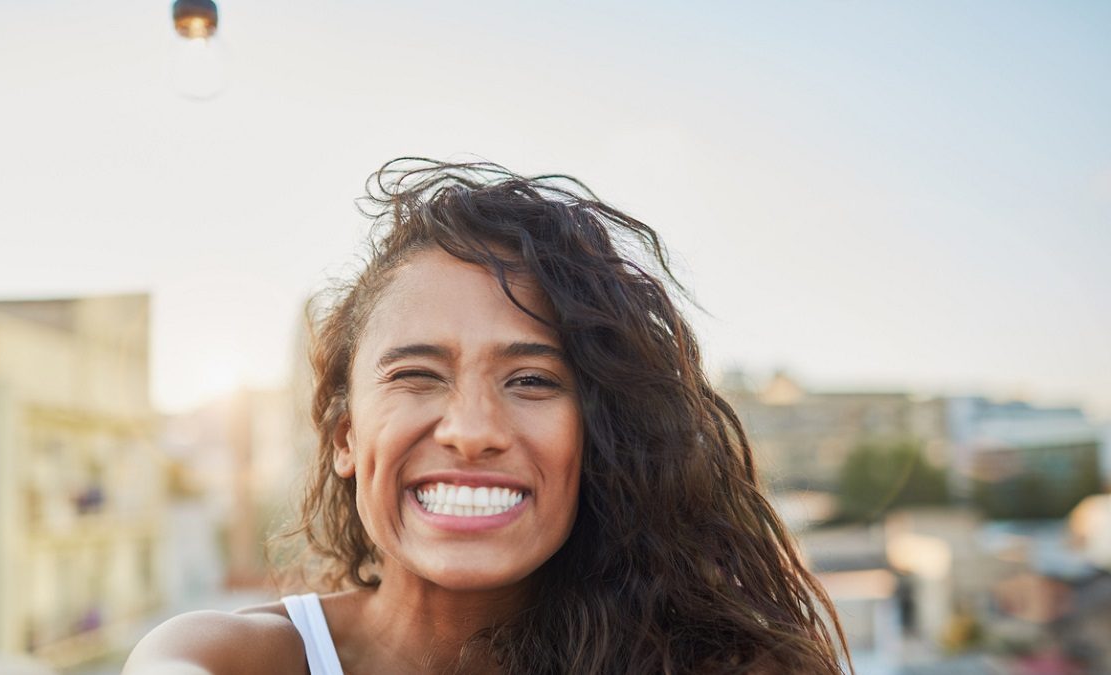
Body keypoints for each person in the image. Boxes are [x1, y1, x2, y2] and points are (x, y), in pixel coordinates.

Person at [123, 158, 850, 674]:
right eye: (416, 375)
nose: (471, 430)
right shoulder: (218, 657)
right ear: (346, 436)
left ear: (601, 429)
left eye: (532, 379)